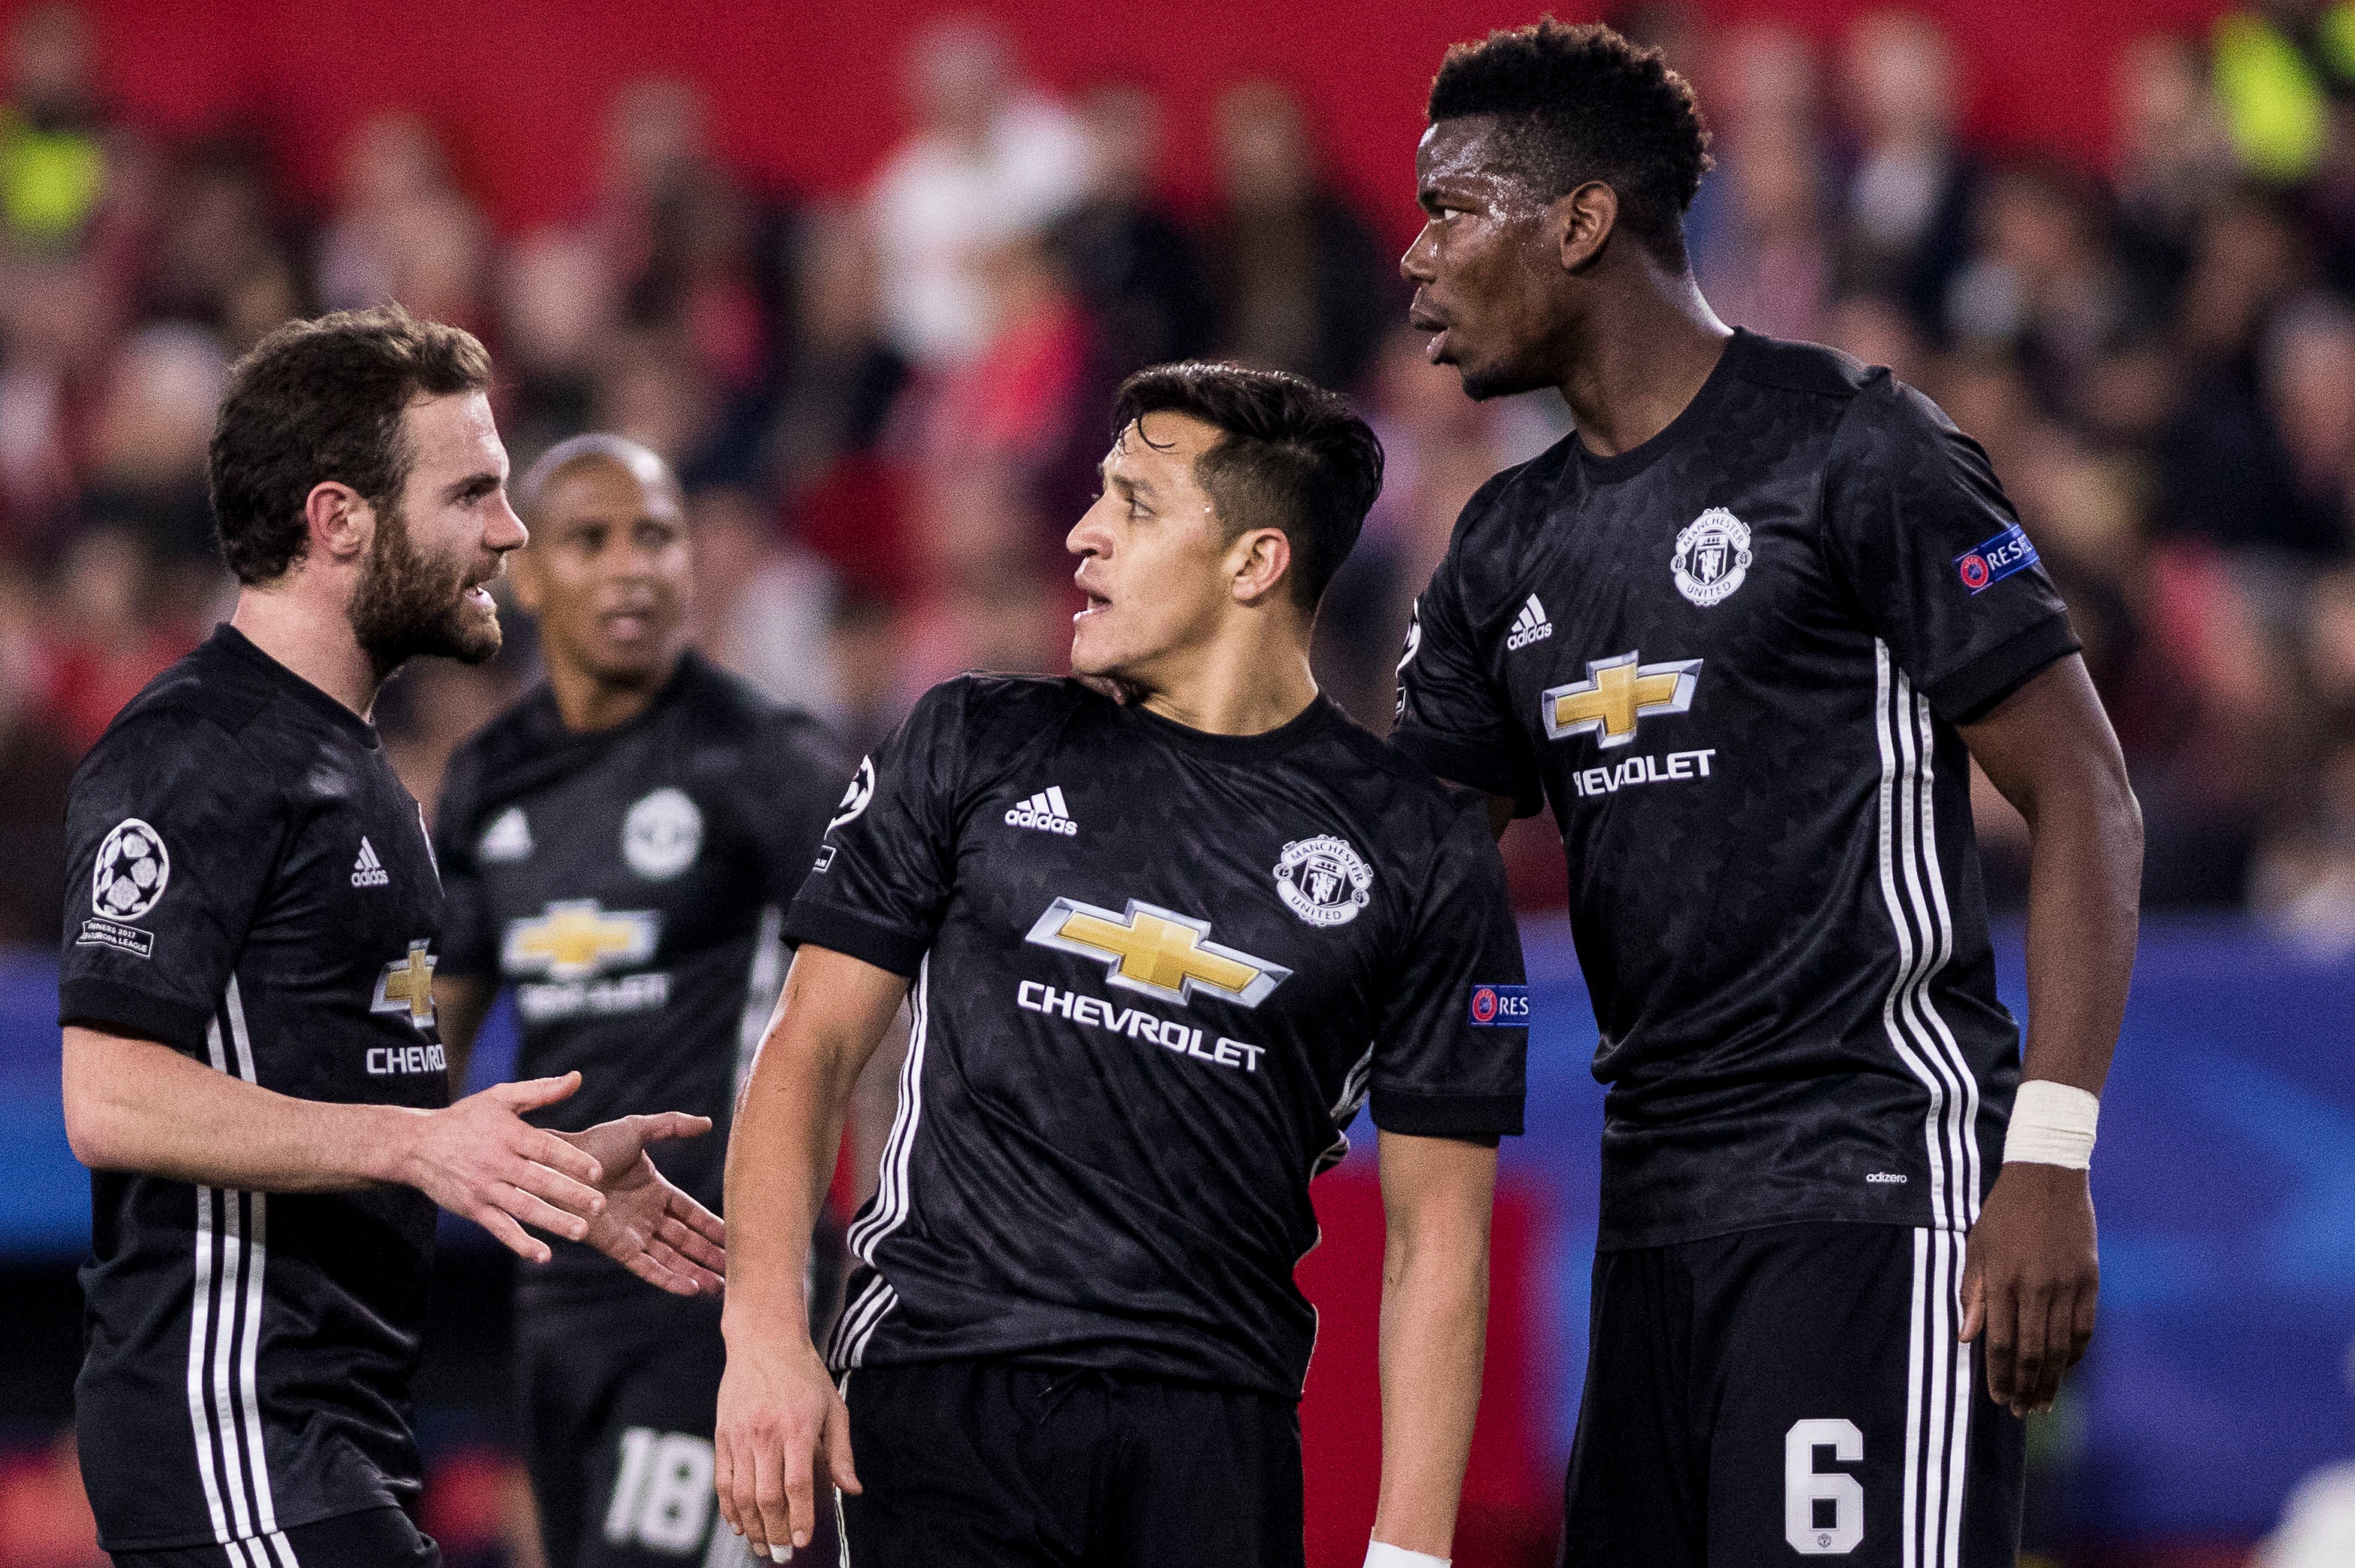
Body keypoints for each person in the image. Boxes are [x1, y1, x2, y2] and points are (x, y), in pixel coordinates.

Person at [1392, 23, 2143, 1567]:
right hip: (1652, 1218)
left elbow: (2083, 800)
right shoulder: (1498, 546)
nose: (1415, 256)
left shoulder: (1854, 448)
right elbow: (1394, 876)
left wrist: (2047, 1155)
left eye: (1453, 207)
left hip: (1874, 1178)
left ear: (1580, 221)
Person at [712, 363, 1527, 1568]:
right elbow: (807, 1050)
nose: (1081, 535)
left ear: (1255, 563)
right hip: (939, 1395)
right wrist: (765, 1336)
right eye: (1098, 494)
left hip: (1213, 1426)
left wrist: (1409, 1553)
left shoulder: (1420, 851)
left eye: (1135, 506)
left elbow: (1439, 1243)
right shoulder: (971, 737)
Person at [58, 307, 728, 1568]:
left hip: (323, 1437)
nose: (511, 532)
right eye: (472, 491)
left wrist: (543, 1172)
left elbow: (328, 1083)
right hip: (230, 1434)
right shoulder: (197, 752)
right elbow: (107, 1095)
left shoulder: (349, 765)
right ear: (338, 521)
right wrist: (422, 1145)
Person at [431, 434, 849, 1568]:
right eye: (592, 539)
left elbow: (878, 1013)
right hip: (558, 1298)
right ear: (527, 570)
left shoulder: (771, 759)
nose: (632, 567)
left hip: (719, 1290)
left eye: (656, 537)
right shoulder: (488, 780)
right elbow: (429, 1037)